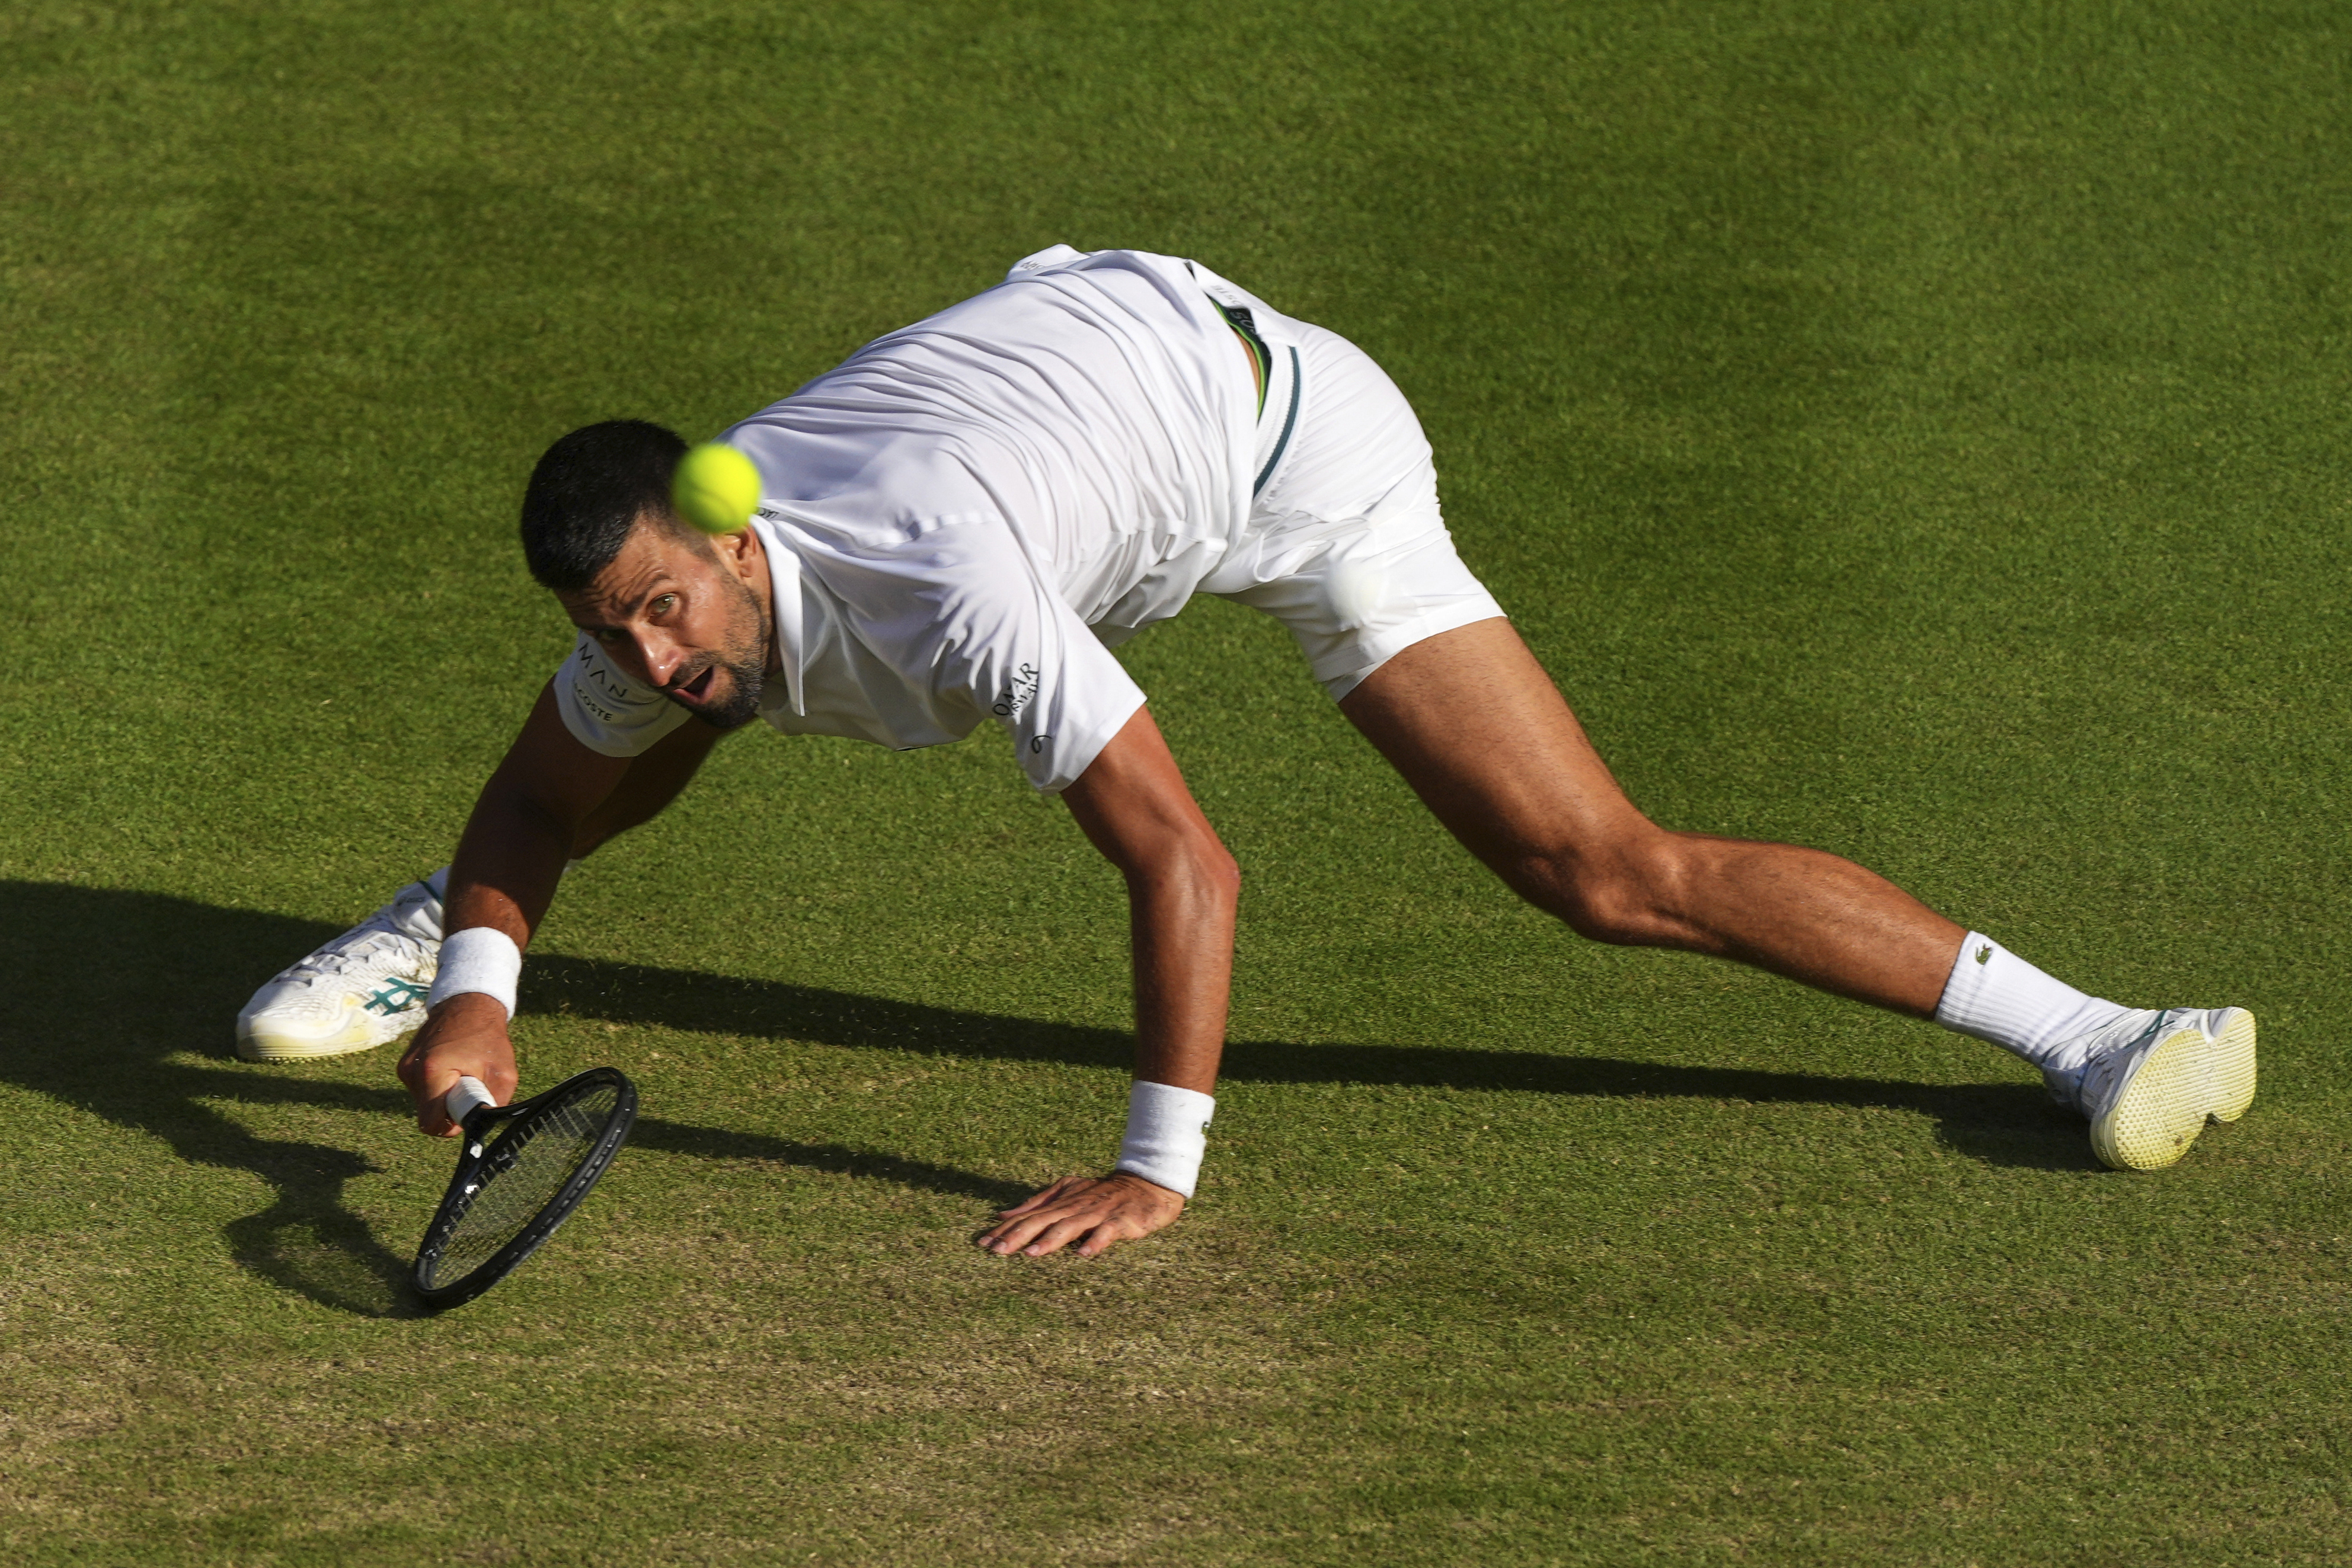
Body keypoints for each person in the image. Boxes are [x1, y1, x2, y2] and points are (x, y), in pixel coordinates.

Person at [237, 245, 2257, 1259]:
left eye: (669, 608)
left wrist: (1152, 1169)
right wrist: (488, 984)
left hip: (1287, 450)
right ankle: (453, 950)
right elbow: (533, 785)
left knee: (1590, 868)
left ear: (735, 533)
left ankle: (2094, 1030)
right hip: (1096, 345)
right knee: (638, 751)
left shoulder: (949, 582)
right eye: (617, 633)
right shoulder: (695, 574)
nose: (653, 648)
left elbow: (1186, 863)